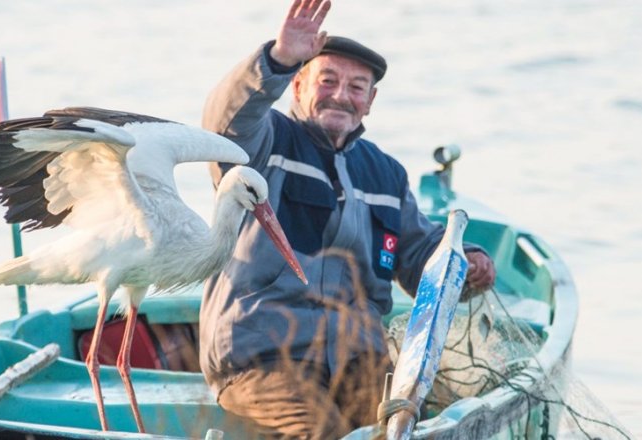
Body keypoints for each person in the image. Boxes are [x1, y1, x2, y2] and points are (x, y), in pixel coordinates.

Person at [199, 0, 496, 438]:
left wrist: (468, 262)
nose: (341, 94)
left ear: (370, 102)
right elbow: (225, 124)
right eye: (328, 80)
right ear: (298, 85)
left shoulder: (385, 172)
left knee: (413, 426)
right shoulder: (265, 143)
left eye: (357, 87)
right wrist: (277, 59)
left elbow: (418, 256)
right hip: (262, 359)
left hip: (358, 361)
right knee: (324, 433)